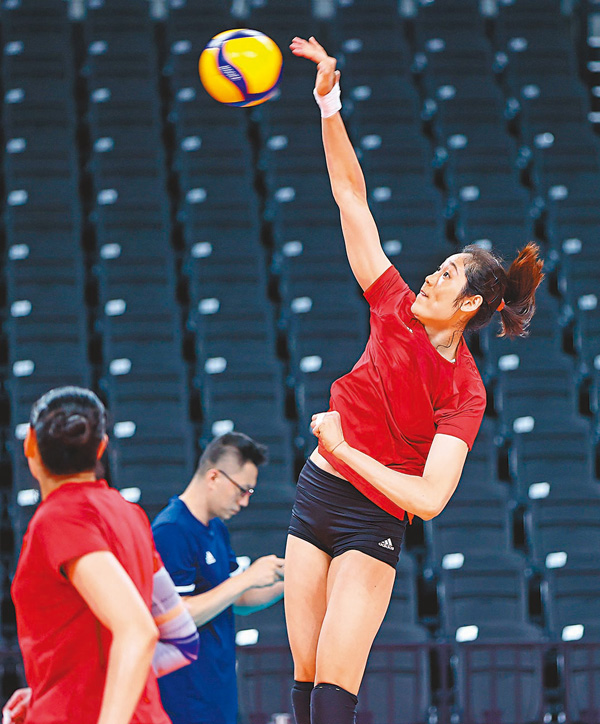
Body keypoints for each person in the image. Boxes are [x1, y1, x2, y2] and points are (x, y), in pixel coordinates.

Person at [284, 36, 545, 724]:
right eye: (439, 266)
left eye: (448, 274)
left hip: (373, 515)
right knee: (303, 684)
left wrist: (346, 449)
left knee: (334, 693)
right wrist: (329, 106)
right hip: (317, 492)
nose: (432, 274)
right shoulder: (392, 302)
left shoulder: (466, 391)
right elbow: (350, 197)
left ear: (469, 305)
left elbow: (429, 499)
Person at [3, 386, 199, 724]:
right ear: (102, 447)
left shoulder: (58, 519)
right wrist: (56, 690)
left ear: (30, 443)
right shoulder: (130, 515)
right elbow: (184, 639)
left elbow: (137, 631)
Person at [152, 432, 285, 724]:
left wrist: (291, 580)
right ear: (214, 477)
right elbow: (175, 617)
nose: (244, 502)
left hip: (219, 693)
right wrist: (246, 578)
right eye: (242, 490)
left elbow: (240, 600)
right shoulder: (171, 531)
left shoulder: (216, 527)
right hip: (184, 700)